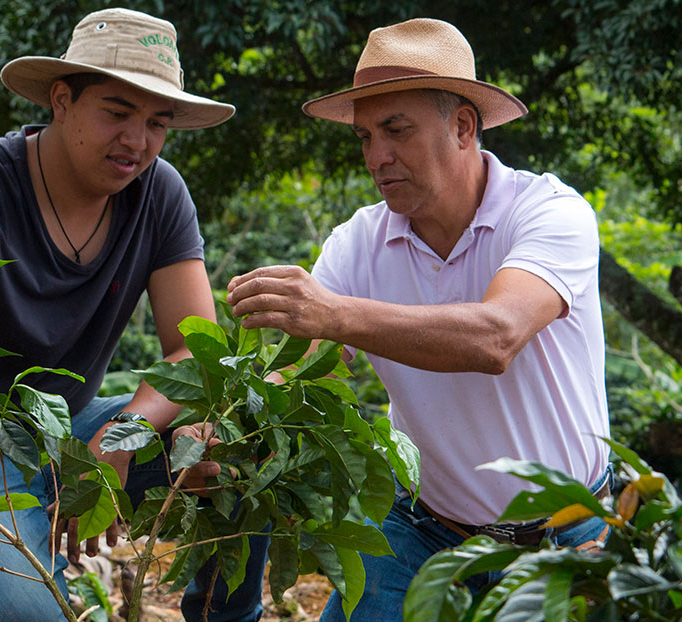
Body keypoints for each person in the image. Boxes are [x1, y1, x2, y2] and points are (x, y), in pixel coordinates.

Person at [0, 9, 264, 622]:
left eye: (157, 123)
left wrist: (122, 434)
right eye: (118, 113)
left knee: (241, 447)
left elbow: (193, 350)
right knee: (31, 615)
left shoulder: (159, 193)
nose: (138, 141)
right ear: (62, 100)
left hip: (58, 431)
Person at [226, 17, 612, 621]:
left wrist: (334, 313)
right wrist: (229, 425)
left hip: (565, 537)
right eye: (365, 137)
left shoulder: (548, 212)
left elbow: (497, 336)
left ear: (463, 126)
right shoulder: (357, 243)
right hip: (421, 527)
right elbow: (304, 374)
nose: (376, 156)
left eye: (396, 130)